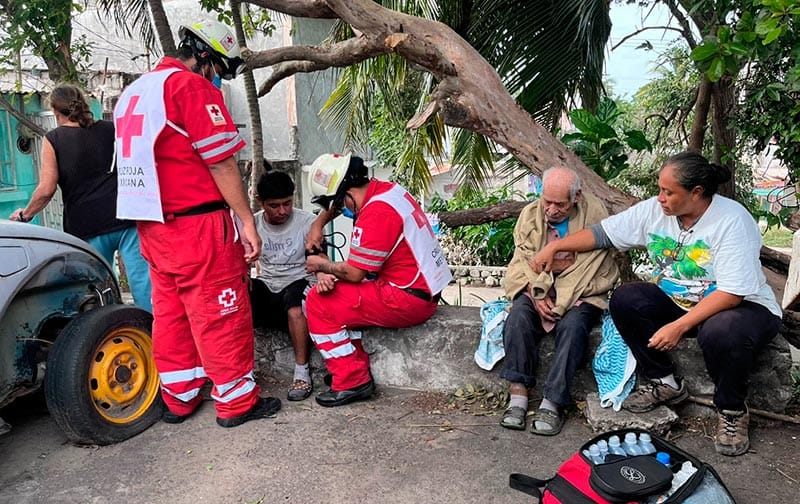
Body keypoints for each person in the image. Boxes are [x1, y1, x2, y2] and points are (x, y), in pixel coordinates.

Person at [533, 152, 782, 456]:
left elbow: (732, 294)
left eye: (668, 192)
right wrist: (556, 245)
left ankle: (731, 410)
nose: (660, 198)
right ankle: (666, 382)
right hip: (680, 302)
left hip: (741, 308)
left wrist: (679, 326)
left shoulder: (731, 220)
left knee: (720, 330)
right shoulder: (655, 211)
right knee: (626, 298)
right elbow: (603, 234)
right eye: (659, 189)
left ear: (696, 193)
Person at [112, 19, 280, 428]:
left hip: (153, 226)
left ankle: (179, 397)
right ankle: (237, 402)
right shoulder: (189, 87)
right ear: (204, 56)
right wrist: (246, 220)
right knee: (221, 311)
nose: (217, 81)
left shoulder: (133, 92)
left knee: (171, 314)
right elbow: (220, 160)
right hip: (198, 226)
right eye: (219, 71)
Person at [304, 153, 452, 407]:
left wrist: (321, 265)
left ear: (346, 196)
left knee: (318, 301)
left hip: (407, 297)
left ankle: (351, 379)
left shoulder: (376, 212)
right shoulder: (388, 192)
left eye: (338, 205)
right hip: (421, 289)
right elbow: (341, 205)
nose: (340, 211)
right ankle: (353, 367)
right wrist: (319, 223)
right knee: (341, 297)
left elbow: (354, 273)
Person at [10, 84, 152, 311]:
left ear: (56, 111)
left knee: (98, 289)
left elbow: (46, 189)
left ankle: (111, 336)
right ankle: (152, 336)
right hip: (126, 218)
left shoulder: (54, 139)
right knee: (144, 285)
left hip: (87, 226)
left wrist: (25, 215)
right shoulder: (111, 129)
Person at [499, 167, 618, 435]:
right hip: (538, 286)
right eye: (547, 201)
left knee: (574, 327)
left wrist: (563, 297)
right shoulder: (530, 215)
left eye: (560, 204)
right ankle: (518, 393)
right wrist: (534, 292)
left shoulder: (595, 215)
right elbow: (524, 261)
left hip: (583, 290)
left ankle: (553, 401)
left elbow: (590, 264)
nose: (551, 210)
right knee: (518, 316)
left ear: (576, 196)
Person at [249, 169, 336, 401]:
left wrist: (321, 274)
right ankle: (241, 372)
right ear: (261, 202)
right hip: (268, 286)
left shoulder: (307, 222)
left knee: (295, 301)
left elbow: (318, 260)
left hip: (298, 284)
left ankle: (301, 372)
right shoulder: (253, 224)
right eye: (275, 205)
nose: (282, 211)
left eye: (287, 204)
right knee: (239, 295)